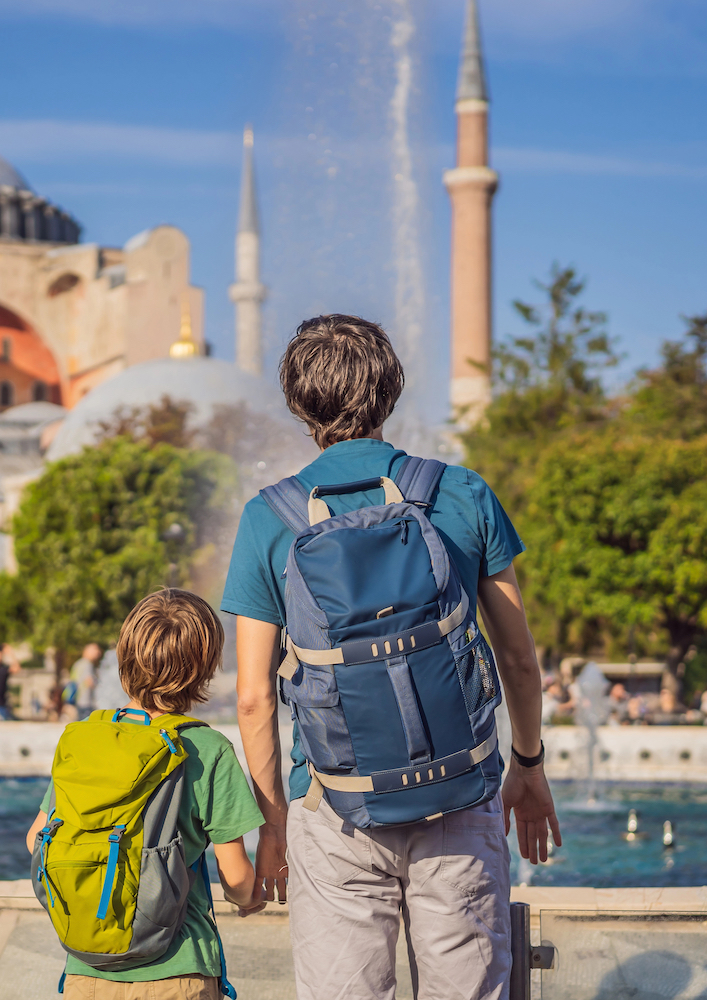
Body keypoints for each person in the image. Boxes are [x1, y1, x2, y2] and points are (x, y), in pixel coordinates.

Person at [222, 315, 561, 1000]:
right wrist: (527, 764)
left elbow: (254, 696)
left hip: (333, 803)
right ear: (391, 391)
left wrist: (276, 826)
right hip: (460, 798)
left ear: (297, 403)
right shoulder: (460, 493)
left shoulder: (271, 516)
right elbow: (520, 660)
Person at [25, 589, 266, 1000]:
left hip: (87, 969)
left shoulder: (86, 740)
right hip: (177, 972)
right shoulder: (206, 750)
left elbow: (37, 840)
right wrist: (250, 896)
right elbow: (237, 875)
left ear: (124, 659)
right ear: (204, 667)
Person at [67, 642, 100, 720]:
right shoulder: (87, 664)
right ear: (87, 651)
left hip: (79, 700)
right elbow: (89, 681)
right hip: (86, 700)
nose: (98, 652)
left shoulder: (78, 663)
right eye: (95, 649)